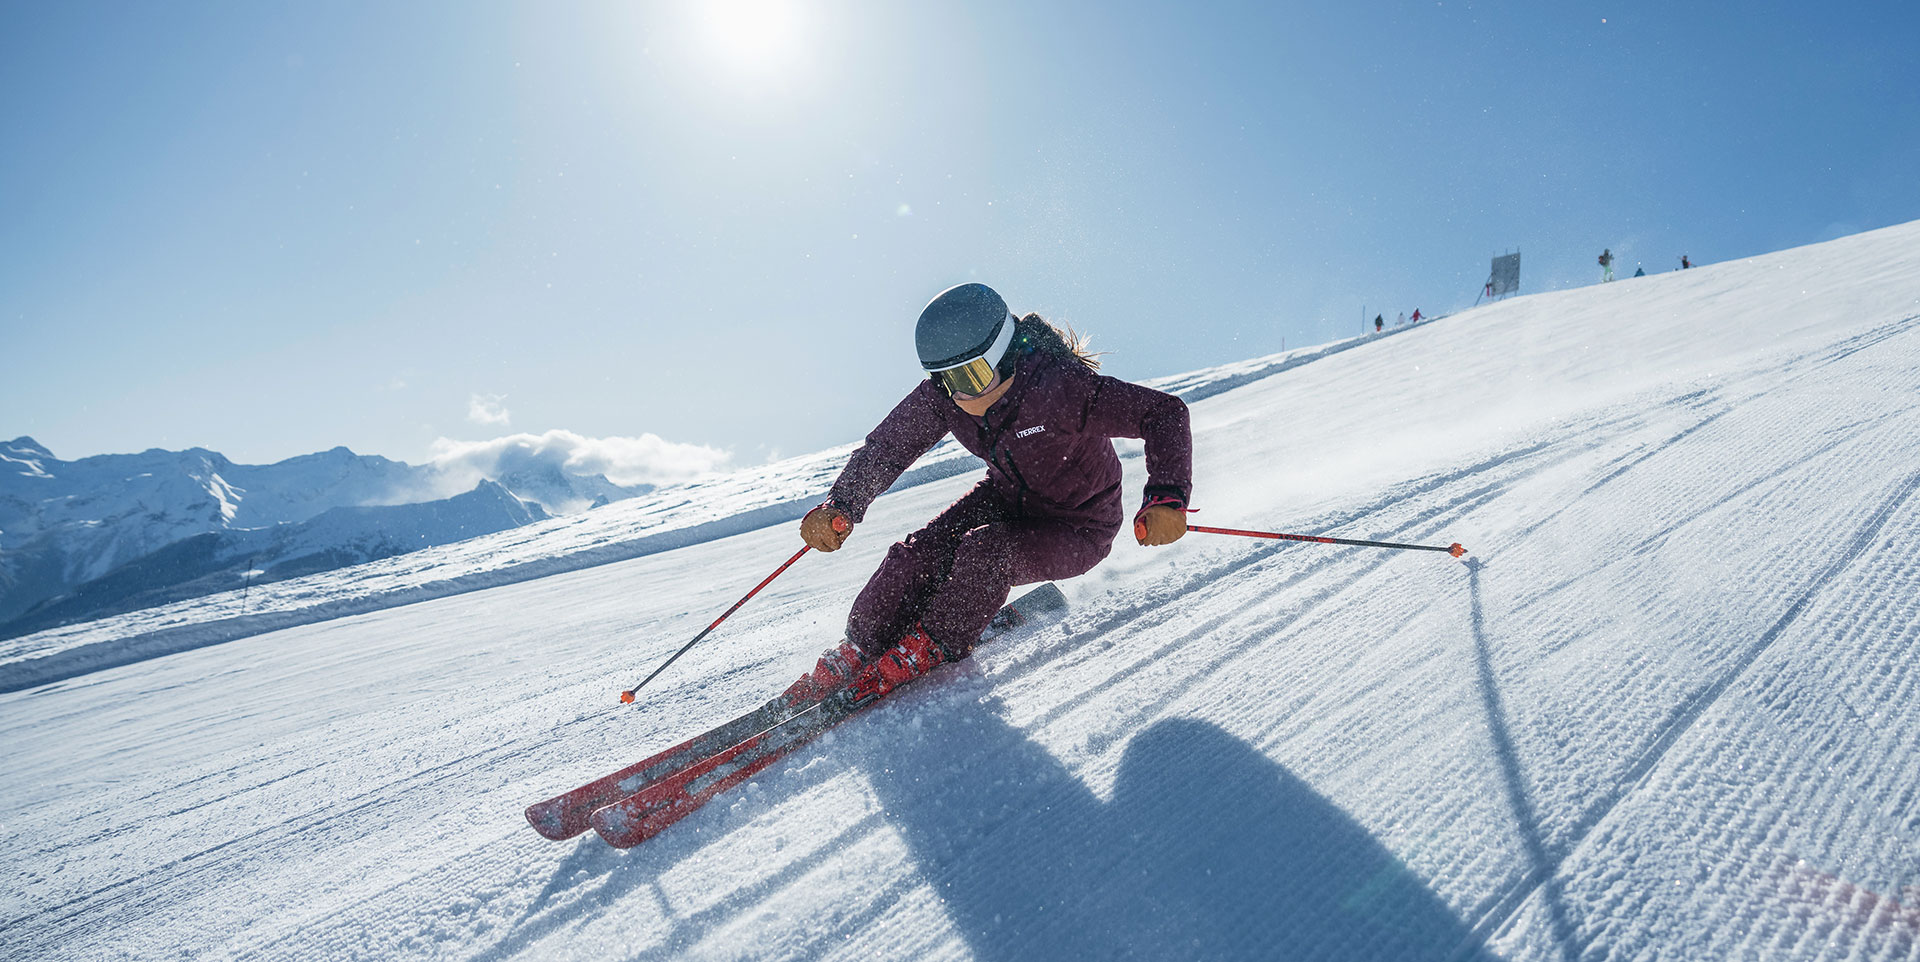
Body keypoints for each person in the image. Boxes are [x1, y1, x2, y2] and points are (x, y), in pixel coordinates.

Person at [784, 283, 1193, 705]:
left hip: (1079, 527)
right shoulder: (947, 399)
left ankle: (930, 643)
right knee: (918, 554)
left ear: (1005, 354)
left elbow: (1162, 413)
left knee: (987, 553)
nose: (961, 395)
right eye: (946, 380)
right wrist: (843, 503)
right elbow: (888, 448)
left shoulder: (1059, 390)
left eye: (972, 376)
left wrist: (1166, 496)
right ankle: (858, 648)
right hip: (1007, 498)